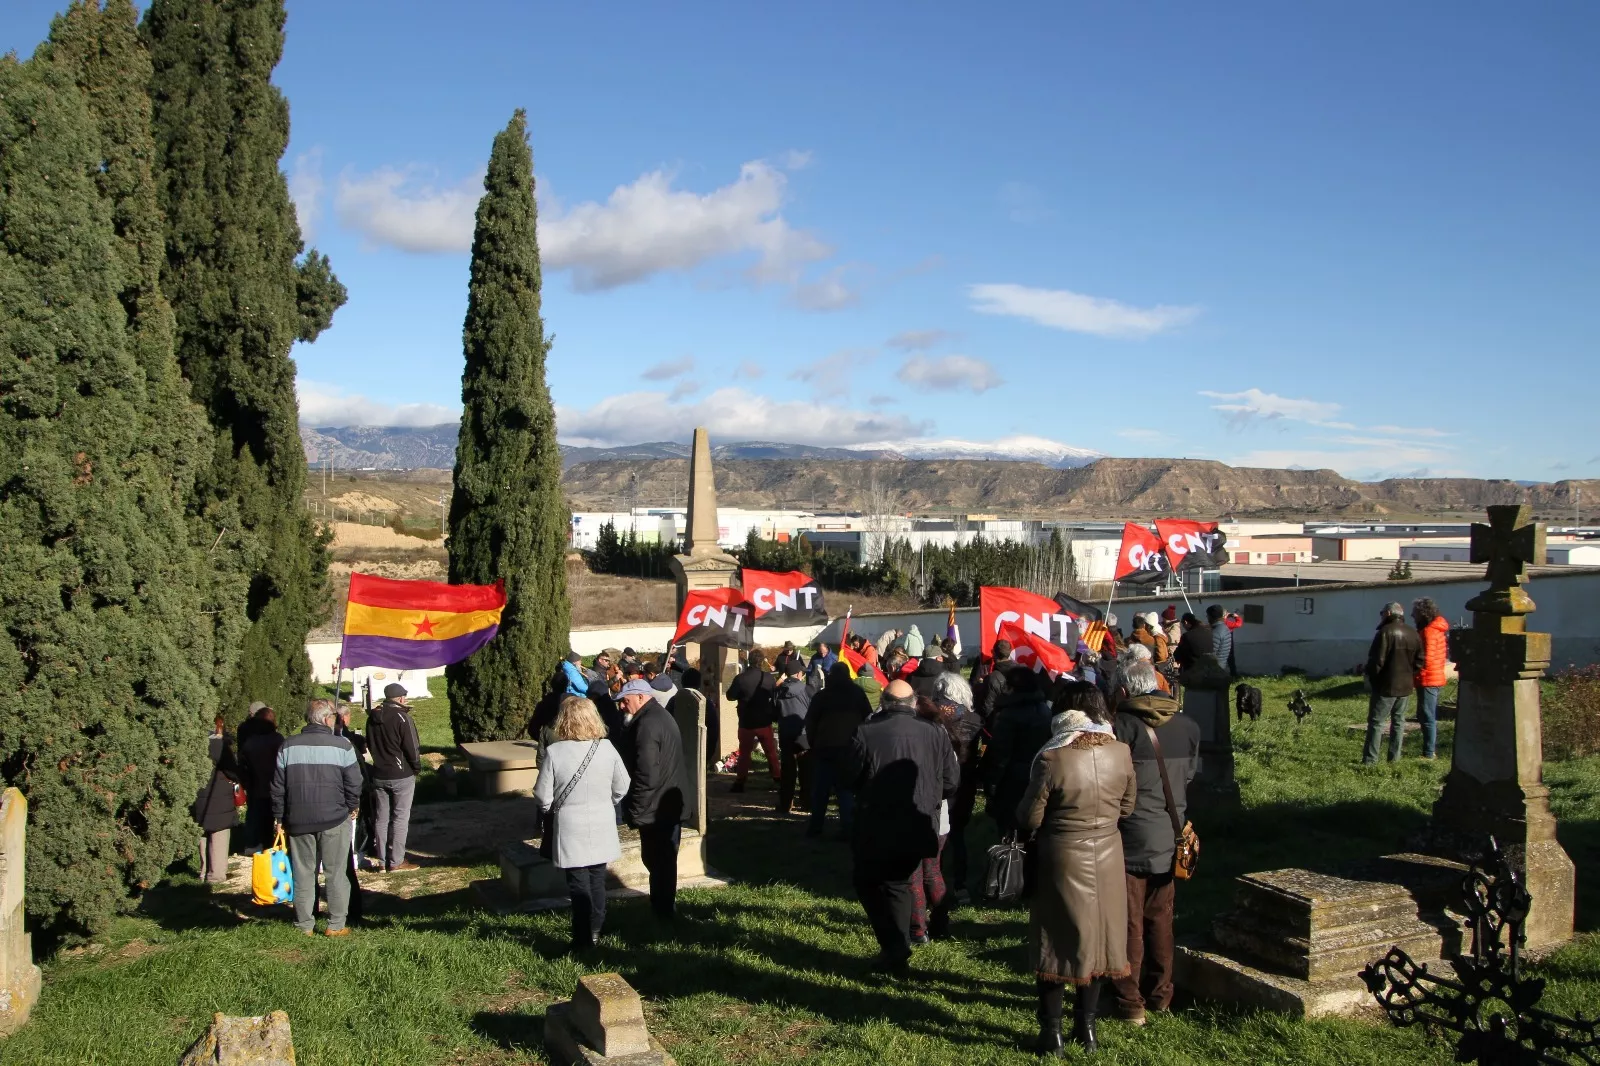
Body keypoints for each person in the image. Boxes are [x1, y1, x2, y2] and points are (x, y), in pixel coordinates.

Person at [1018, 689, 1137, 1054]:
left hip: (1063, 856)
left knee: (1056, 942)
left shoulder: (1052, 758)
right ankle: (1087, 1029)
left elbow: (1029, 817)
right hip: (1108, 854)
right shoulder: (1120, 752)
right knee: (1098, 941)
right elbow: (1128, 807)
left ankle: (1051, 1033)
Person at [845, 680, 959, 976]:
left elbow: (850, 776)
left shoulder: (866, 731)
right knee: (899, 881)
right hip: (919, 821)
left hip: (878, 822)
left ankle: (896, 944)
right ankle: (899, 945)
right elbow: (951, 781)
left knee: (869, 881)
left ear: (883, 701)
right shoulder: (935, 731)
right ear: (913, 702)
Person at [1111, 661, 1201, 1027]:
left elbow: (1111, 782)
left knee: (1129, 923)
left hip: (1129, 836)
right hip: (1171, 834)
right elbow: (1190, 775)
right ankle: (1161, 994)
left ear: (1123, 691)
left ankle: (1129, 1001)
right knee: (1161, 919)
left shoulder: (1120, 728)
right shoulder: (1188, 725)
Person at [535, 696, 631, 952]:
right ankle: (596, 928)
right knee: (597, 879)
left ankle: (582, 936)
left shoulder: (555, 753)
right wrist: (606, 802)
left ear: (564, 721)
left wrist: (550, 809)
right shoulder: (607, 748)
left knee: (577, 883)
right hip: (601, 820)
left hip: (569, 824)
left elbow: (542, 795)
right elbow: (623, 785)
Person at [272, 700, 363, 936]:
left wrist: (279, 817)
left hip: (298, 818)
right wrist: (352, 806)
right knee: (336, 872)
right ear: (325, 719)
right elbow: (354, 782)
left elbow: (278, 787)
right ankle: (336, 924)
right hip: (334, 818)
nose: (335, 720)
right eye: (333, 715)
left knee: (303, 873)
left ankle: (304, 925)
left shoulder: (287, 746)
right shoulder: (342, 746)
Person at [616, 679, 686, 921]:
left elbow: (646, 774)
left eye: (625, 701)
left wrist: (636, 810)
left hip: (656, 807)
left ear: (641, 697)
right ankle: (663, 908)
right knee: (661, 861)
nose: (622, 706)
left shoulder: (647, 724)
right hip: (664, 804)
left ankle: (664, 912)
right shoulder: (657, 716)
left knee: (659, 861)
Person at [982, 666, 1055, 839]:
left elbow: (999, 755)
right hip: (1039, 774)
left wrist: (991, 786)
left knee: (1010, 829)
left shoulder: (1009, 715)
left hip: (1012, 780)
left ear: (1012, 687)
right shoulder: (1045, 710)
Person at [930, 672, 984, 902]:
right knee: (958, 834)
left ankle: (934, 882)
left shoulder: (932, 716)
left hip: (939, 780)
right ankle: (960, 885)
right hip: (965, 780)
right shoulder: (974, 719)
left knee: (937, 833)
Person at [805, 661, 871, 838]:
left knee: (821, 790)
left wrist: (813, 743)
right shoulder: (857, 694)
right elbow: (868, 719)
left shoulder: (822, 696)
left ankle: (816, 827)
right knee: (845, 790)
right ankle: (848, 829)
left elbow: (810, 722)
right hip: (850, 748)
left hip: (824, 747)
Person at [367, 683, 422, 873]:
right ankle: (396, 861)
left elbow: (370, 744)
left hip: (379, 773)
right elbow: (412, 746)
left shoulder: (372, 718)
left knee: (381, 818)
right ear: (400, 698)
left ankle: (382, 861)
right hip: (401, 774)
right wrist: (416, 767)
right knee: (400, 817)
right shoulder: (402, 718)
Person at [1362, 602, 1424, 765]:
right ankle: (1394, 759)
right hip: (1405, 686)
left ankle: (1370, 760)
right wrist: (1409, 675)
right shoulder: (1413, 633)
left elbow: (1377, 662)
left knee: (1376, 722)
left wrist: (1373, 679)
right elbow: (1420, 661)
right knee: (1398, 722)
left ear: (1388, 613)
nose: (1381, 616)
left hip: (1386, 685)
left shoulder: (1385, 632)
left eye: (1382, 613)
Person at [192, 715, 239, 884]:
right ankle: (216, 875)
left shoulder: (194, 743)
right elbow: (232, 770)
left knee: (203, 832)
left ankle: (204, 871)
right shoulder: (218, 745)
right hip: (219, 796)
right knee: (219, 834)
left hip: (199, 794)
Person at [726, 656, 779, 795]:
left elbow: (730, 696)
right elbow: (774, 695)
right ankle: (777, 777)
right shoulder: (768, 678)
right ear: (761, 663)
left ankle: (740, 781)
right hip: (764, 720)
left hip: (746, 721)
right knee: (770, 751)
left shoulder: (740, 678)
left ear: (749, 661)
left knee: (744, 753)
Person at [237, 703, 283, 854]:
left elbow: (242, 764)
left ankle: (252, 844)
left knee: (254, 816)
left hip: (255, 785)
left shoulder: (250, 742)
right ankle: (268, 846)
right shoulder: (278, 740)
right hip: (274, 785)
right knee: (270, 818)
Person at [773, 659, 815, 814]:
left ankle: (786, 804)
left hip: (785, 734)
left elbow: (774, 712)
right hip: (803, 734)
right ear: (798, 674)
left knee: (787, 771)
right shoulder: (808, 689)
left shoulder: (778, 690)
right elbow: (814, 709)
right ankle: (807, 803)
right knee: (806, 771)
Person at [1412, 598, 1448, 760]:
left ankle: (1429, 752)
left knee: (1427, 716)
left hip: (1428, 678)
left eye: (1415, 612)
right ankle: (1428, 750)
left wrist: (1414, 670)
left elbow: (1426, 658)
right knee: (1424, 714)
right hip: (1433, 676)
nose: (1412, 615)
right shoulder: (1435, 629)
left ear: (1423, 613)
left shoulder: (1429, 632)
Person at [1207, 605, 1235, 677]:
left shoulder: (1216, 631)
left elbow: (1211, 653)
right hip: (1222, 665)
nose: (1207, 617)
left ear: (1211, 616)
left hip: (1215, 669)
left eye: (1207, 615)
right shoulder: (1224, 627)